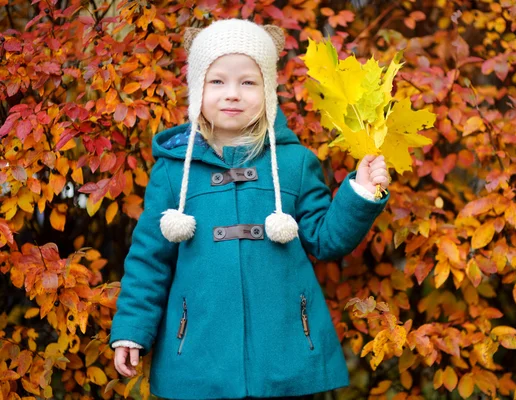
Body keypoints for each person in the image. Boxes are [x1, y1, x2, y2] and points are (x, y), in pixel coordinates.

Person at [109, 18, 390, 400]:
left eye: (248, 82)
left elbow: (326, 240)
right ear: (197, 91)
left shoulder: (294, 163)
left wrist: (359, 192)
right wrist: (132, 330)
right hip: (197, 355)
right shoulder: (173, 172)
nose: (232, 94)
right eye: (217, 81)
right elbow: (149, 260)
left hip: (285, 353)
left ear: (268, 92)